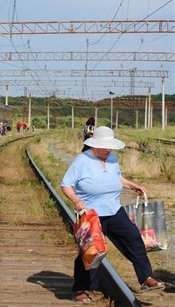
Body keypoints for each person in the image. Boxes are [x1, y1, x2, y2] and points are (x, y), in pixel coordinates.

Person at [61, 126, 164, 303]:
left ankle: (146, 278)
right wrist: (77, 201)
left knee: (134, 239)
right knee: (90, 252)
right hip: (92, 214)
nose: (109, 149)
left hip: (114, 210)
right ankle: (79, 289)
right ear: (95, 145)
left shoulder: (112, 158)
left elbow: (116, 177)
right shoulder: (82, 160)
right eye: (105, 146)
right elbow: (66, 184)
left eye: (110, 146)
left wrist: (131, 185)